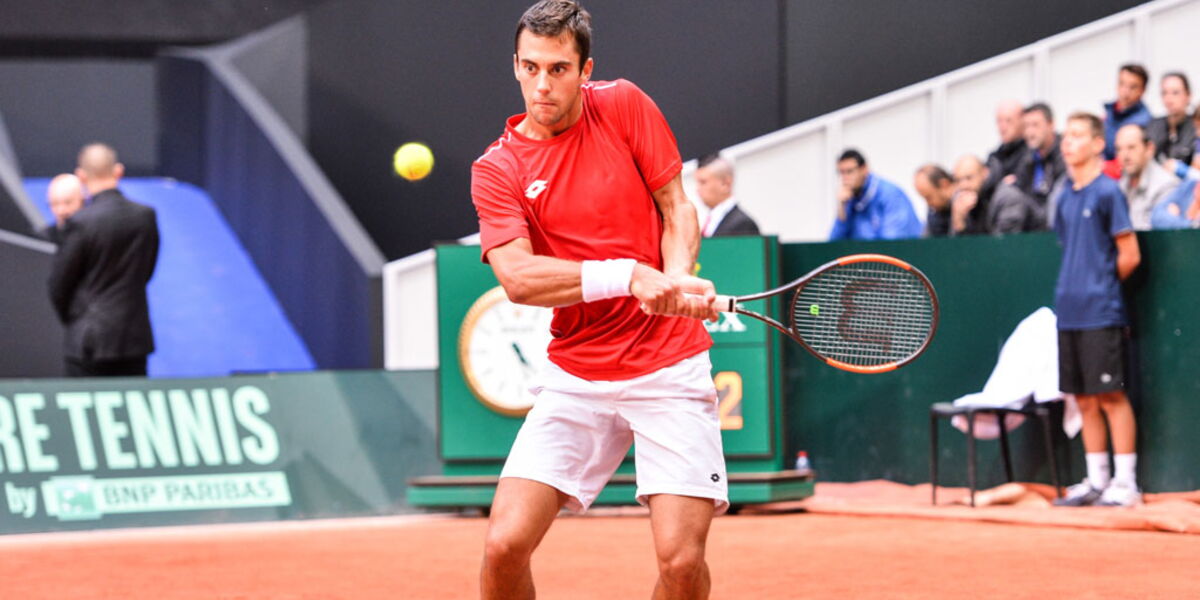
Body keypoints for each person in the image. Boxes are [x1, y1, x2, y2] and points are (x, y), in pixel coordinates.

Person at [471, 2, 725, 598]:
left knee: (681, 564)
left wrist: (677, 277)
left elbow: (676, 207)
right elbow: (518, 279)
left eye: (558, 69)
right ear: (514, 66)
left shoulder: (624, 105)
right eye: (530, 68)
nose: (542, 84)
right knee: (503, 545)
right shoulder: (497, 168)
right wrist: (631, 277)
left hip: (667, 365)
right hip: (576, 373)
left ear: (586, 70)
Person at [1051, 112, 1142, 508]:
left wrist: (1100, 287)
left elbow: (1130, 254)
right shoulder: (1063, 196)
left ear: (1096, 144)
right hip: (1068, 311)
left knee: (1110, 396)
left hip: (1101, 312)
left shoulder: (1108, 193)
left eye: (1076, 136)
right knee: (1083, 398)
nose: (1067, 143)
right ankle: (1096, 480)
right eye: (1065, 136)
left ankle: (1126, 484)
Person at [47, 143, 159, 377]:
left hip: (88, 342)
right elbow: (146, 271)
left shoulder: (80, 223)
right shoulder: (145, 217)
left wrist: (76, 320)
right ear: (118, 171)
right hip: (134, 340)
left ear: (81, 176)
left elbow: (59, 284)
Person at [829, 148, 922, 240]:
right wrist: (841, 208)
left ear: (864, 169)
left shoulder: (889, 194)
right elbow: (834, 245)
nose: (845, 178)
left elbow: (892, 243)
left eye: (850, 171)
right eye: (841, 173)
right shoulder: (849, 198)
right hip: (866, 254)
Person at [1115, 124, 1179, 231]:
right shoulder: (1120, 185)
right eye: (1119, 149)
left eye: (1131, 147)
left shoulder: (1167, 185)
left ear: (1149, 148)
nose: (1125, 156)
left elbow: (1156, 234)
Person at [1013, 103, 1067, 209]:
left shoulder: (1065, 154)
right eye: (1026, 126)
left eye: (1035, 125)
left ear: (1051, 124)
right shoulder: (1026, 159)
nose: (1030, 132)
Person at [694, 153, 760, 237]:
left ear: (725, 184)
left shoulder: (743, 224)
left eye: (703, 182)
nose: (698, 189)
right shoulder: (709, 222)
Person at [1103, 64, 1153, 162]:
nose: (1125, 92)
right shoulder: (1110, 112)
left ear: (1142, 91)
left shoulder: (1143, 121)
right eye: (1122, 84)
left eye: (1132, 87)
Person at [1146, 72, 1195, 166]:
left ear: (1188, 95)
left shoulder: (1196, 128)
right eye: (1164, 93)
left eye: (1175, 93)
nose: (1169, 99)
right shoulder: (1153, 126)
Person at [950, 154, 1007, 234]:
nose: (963, 185)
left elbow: (1004, 243)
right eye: (958, 180)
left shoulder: (1006, 199)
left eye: (969, 178)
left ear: (985, 173)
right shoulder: (960, 203)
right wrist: (958, 221)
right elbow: (956, 246)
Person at [984, 99, 1028, 190]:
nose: (1002, 127)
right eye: (999, 121)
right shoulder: (994, 158)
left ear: (1022, 121)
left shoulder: (1033, 153)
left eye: (1008, 121)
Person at [41, 173, 85, 244]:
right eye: (54, 203)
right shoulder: (43, 239)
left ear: (83, 201)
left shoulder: (95, 237)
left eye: (68, 203)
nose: (60, 211)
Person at [913, 164, 953, 237]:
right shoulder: (934, 212)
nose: (928, 203)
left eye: (929, 197)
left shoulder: (970, 207)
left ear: (944, 185)